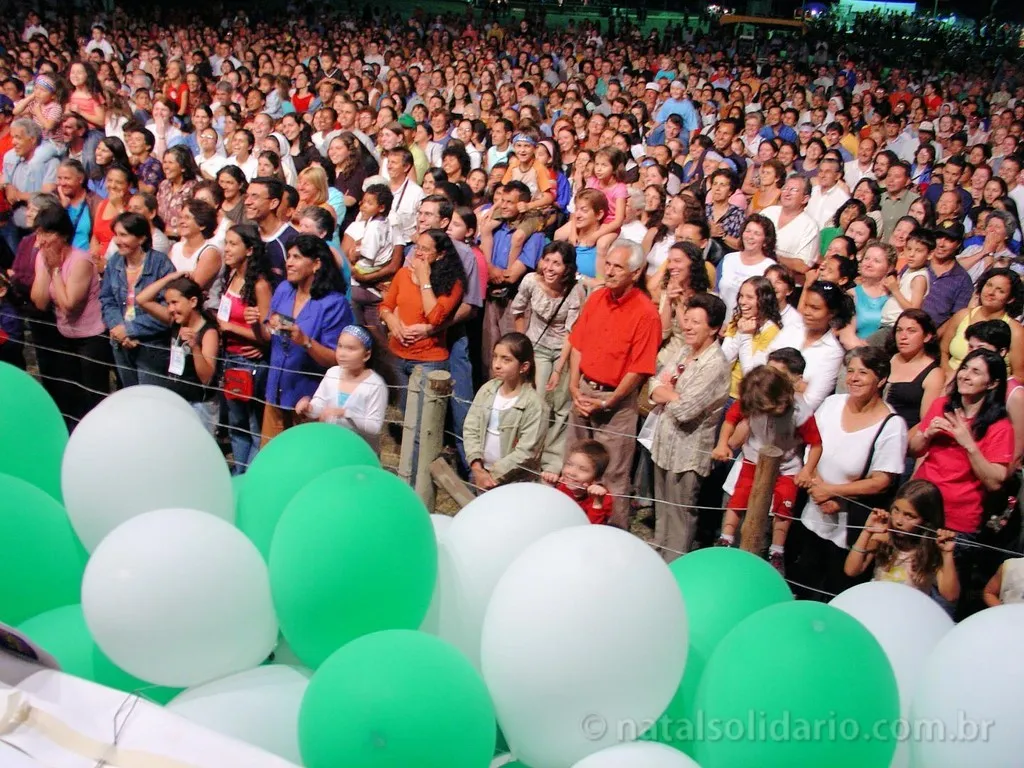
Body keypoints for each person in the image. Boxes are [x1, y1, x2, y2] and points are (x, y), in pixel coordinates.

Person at [790, 347, 908, 597]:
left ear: (881, 379)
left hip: (849, 527)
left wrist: (833, 493)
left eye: (862, 373)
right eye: (850, 371)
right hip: (812, 512)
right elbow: (811, 446)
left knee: (836, 592)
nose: (853, 378)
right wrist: (817, 489)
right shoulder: (832, 404)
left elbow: (881, 481)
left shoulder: (892, 425)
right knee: (802, 585)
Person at [912, 348, 1014, 614]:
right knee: (906, 583)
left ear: (992, 383)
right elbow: (914, 449)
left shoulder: (999, 426)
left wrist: (968, 443)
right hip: (921, 510)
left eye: (976, 371)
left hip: (957, 523)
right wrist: (926, 435)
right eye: (965, 367)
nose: (965, 375)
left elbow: (995, 481)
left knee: (941, 600)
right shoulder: (942, 406)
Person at [568, 239, 661, 530]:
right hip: (583, 391)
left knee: (613, 475)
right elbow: (577, 345)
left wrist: (609, 401)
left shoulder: (646, 313)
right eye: (607, 264)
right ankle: (569, 524)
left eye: (617, 267)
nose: (608, 271)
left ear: (636, 272)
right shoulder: (596, 298)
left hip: (616, 403)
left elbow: (639, 368)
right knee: (574, 465)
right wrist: (574, 387)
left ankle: (614, 535)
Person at [713, 362, 823, 573]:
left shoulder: (800, 412)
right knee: (740, 496)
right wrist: (722, 443)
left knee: (784, 504)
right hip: (753, 458)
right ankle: (726, 538)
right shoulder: (751, 400)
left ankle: (777, 550)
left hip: (787, 466)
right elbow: (730, 420)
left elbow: (816, 444)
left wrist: (807, 470)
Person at [648, 292, 731, 560]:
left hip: (687, 453)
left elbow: (685, 411)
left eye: (696, 322)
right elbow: (653, 384)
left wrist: (666, 393)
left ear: (714, 328)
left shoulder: (715, 365)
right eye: (687, 320)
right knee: (662, 508)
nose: (688, 327)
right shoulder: (684, 350)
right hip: (663, 443)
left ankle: (676, 564)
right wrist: (670, 393)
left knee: (680, 514)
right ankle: (658, 557)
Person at [248, 234, 352, 444]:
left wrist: (306, 342)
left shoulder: (334, 304)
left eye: (296, 257)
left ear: (316, 264)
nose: (288, 262)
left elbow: (337, 359)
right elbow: (269, 335)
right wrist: (256, 325)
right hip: (275, 395)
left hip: (309, 402)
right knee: (271, 456)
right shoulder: (284, 290)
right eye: (288, 256)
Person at [29, 204, 109, 427]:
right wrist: (46, 268)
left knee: (93, 395)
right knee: (69, 393)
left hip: (91, 337)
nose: (41, 240)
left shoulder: (80, 261)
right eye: (38, 233)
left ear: (63, 235)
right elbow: (40, 301)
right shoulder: (44, 257)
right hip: (65, 335)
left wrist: (55, 270)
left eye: (47, 234)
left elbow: (69, 305)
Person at [511, 240, 585, 472]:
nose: (550, 268)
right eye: (547, 260)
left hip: (564, 350)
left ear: (567, 268)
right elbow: (518, 310)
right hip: (537, 347)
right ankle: (528, 453)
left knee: (562, 405)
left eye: (557, 263)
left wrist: (559, 369)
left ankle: (552, 461)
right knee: (539, 401)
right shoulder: (531, 281)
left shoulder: (575, 290)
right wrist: (523, 344)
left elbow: (571, 332)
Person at [217, 224, 273, 473]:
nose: (226, 249)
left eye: (233, 244)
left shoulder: (260, 285)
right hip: (229, 359)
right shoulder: (231, 276)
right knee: (236, 424)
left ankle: (251, 476)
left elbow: (268, 333)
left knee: (253, 425)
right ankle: (239, 472)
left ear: (249, 250)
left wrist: (230, 328)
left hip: (250, 364)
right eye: (226, 243)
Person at [844, 479, 959, 602]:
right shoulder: (883, 538)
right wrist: (866, 532)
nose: (898, 521)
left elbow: (951, 596)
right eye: (896, 510)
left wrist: (947, 554)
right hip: (877, 604)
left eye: (909, 516)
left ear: (927, 520)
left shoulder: (932, 550)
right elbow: (851, 571)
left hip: (908, 610)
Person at [135, 273, 222, 432]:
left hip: (199, 405)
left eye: (175, 303)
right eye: (168, 304)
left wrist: (195, 348)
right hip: (177, 400)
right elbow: (142, 300)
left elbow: (207, 378)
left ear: (193, 301)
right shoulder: (176, 322)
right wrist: (170, 278)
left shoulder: (208, 332)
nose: (170, 309)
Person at [99, 211, 176, 387]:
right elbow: (107, 299)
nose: (117, 240)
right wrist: (118, 328)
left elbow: (168, 311)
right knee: (130, 396)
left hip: (152, 346)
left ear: (141, 238)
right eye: (116, 235)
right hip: (120, 342)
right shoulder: (115, 262)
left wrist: (130, 329)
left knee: (149, 399)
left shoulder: (161, 265)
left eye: (124, 235)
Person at [464, 331, 546, 490]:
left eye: (506, 359)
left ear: (524, 367)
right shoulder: (487, 390)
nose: (497, 364)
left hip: (514, 483)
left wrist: (493, 476)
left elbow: (526, 451)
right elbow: (471, 427)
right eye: (495, 357)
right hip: (481, 473)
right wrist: (477, 468)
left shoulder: (534, 405)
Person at [295, 324, 389, 452]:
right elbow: (320, 405)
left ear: (366, 355)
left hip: (359, 451)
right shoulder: (332, 373)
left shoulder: (375, 385)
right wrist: (309, 408)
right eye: (340, 346)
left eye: (350, 349)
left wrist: (346, 413)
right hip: (332, 448)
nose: (342, 353)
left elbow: (374, 427)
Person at [941, 267, 1024, 379]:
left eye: (1000, 290)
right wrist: (948, 373)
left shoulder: (1016, 331)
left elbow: (1019, 376)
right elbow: (943, 351)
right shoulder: (962, 315)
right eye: (989, 285)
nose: (991, 292)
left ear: (1010, 299)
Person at [720, 276, 782, 403]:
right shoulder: (737, 320)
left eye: (749, 297)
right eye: (741, 296)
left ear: (764, 301)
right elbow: (723, 360)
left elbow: (751, 373)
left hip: (742, 398)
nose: (742, 302)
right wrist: (740, 333)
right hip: (722, 389)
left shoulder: (772, 332)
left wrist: (746, 336)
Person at [342, 183, 395, 325]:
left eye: (369, 203)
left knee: (360, 327)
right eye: (363, 201)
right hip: (374, 273)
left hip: (365, 272)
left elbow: (368, 253)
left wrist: (355, 252)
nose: (363, 206)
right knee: (373, 329)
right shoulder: (385, 223)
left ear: (381, 207)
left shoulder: (374, 227)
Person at [717, 214, 777, 319]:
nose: (750, 236)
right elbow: (715, 292)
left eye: (757, 233)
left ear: (766, 240)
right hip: (721, 321)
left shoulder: (770, 267)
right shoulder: (728, 259)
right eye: (748, 231)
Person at [761, 175, 821, 278]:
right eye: (785, 188)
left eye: (793, 190)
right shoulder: (768, 212)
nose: (787, 193)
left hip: (783, 279)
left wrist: (773, 256)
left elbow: (803, 266)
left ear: (805, 198)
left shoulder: (810, 226)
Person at [541, 439, 611, 524]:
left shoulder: (603, 498)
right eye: (569, 464)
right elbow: (546, 514)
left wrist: (597, 504)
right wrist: (549, 487)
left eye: (582, 469)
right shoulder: (562, 487)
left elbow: (592, 529)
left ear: (596, 478)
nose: (571, 473)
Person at [921, 223, 974, 331]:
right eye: (938, 237)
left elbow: (955, 319)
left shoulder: (963, 280)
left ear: (958, 244)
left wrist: (935, 337)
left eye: (949, 240)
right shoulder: (919, 264)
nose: (941, 244)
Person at [169, 199, 223, 294]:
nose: (181, 222)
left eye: (187, 218)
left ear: (202, 225)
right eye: (181, 217)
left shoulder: (210, 252)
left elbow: (192, 289)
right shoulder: (176, 247)